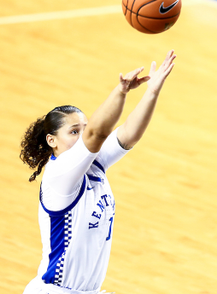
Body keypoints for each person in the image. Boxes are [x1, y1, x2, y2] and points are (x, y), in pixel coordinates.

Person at [20, 50, 176, 294]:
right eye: (74, 132)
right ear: (52, 140)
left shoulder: (94, 164)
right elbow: (97, 134)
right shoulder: (59, 174)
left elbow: (129, 134)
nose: (82, 136)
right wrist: (121, 91)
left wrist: (152, 91)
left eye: (84, 128)